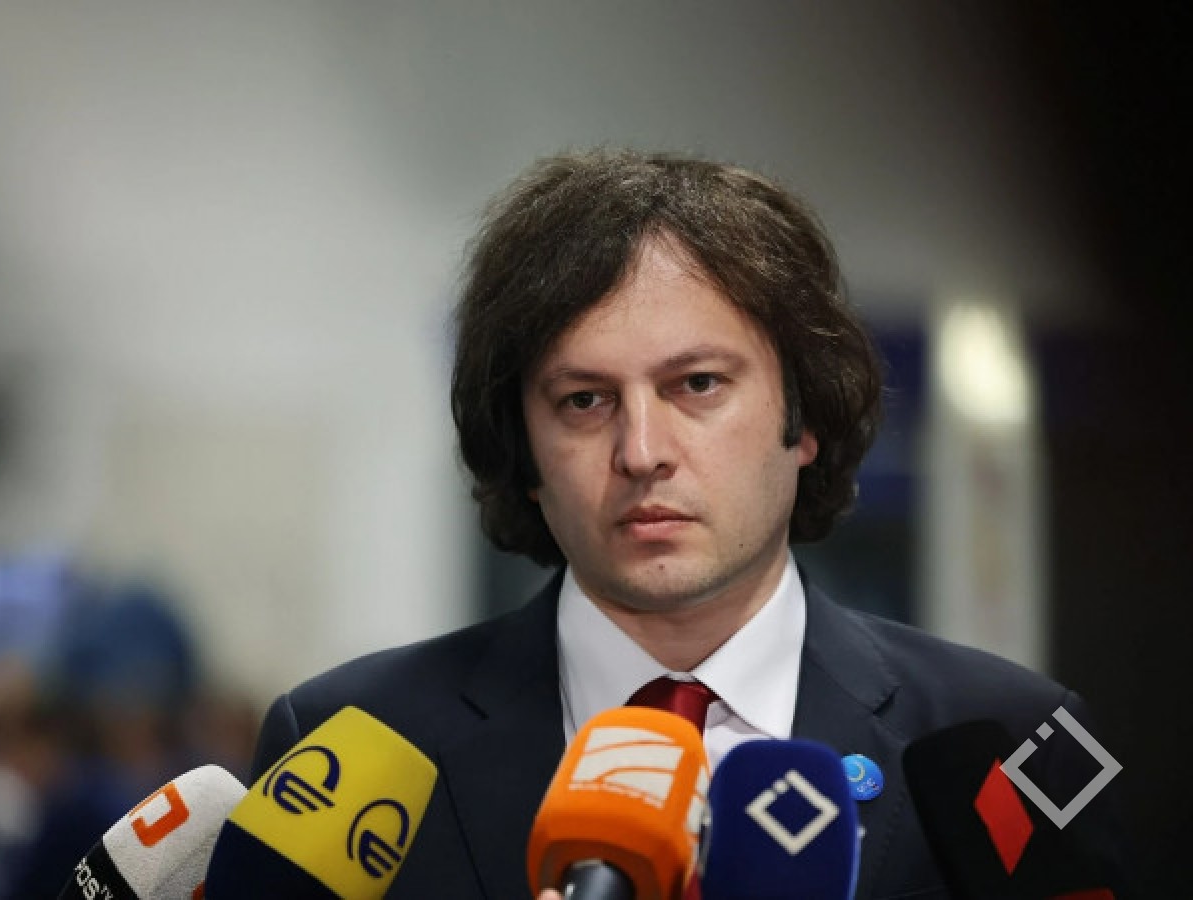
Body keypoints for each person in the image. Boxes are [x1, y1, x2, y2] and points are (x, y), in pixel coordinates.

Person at [250, 150, 1129, 899]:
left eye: (698, 385)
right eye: (584, 400)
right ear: (523, 453)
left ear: (805, 419)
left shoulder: (1010, 740)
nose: (641, 451)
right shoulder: (348, 742)